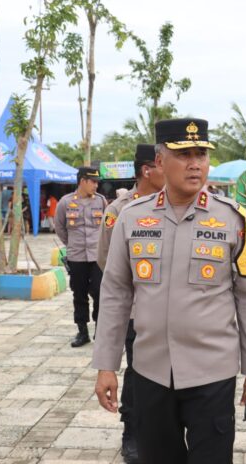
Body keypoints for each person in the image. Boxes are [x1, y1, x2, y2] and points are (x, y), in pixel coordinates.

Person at [92, 118, 246, 464]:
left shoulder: (233, 219)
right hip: (150, 372)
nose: (195, 164)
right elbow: (115, 294)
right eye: (184, 154)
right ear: (159, 162)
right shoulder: (131, 218)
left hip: (212, 373)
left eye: (201, 154)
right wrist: (106, 365)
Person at [96, 143, 165, 463]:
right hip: (137, 309)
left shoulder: (174, 203)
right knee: (138, 373)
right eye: (162, 164)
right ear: (147, 170)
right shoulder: (119, 210)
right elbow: (107, 261)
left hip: (173, 310)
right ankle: (132, 432)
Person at [55, 167, 107, 347]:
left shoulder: (101, 201)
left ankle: (100, 331)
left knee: (100, 293)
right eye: (93, 181)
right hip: (76, 257)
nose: (96, 185)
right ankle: (82, 331)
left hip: (97, 257)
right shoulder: (65, 202)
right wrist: (72, 245)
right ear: (83, 181)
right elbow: (60, 227)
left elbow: (108, 226)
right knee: (79, 294)